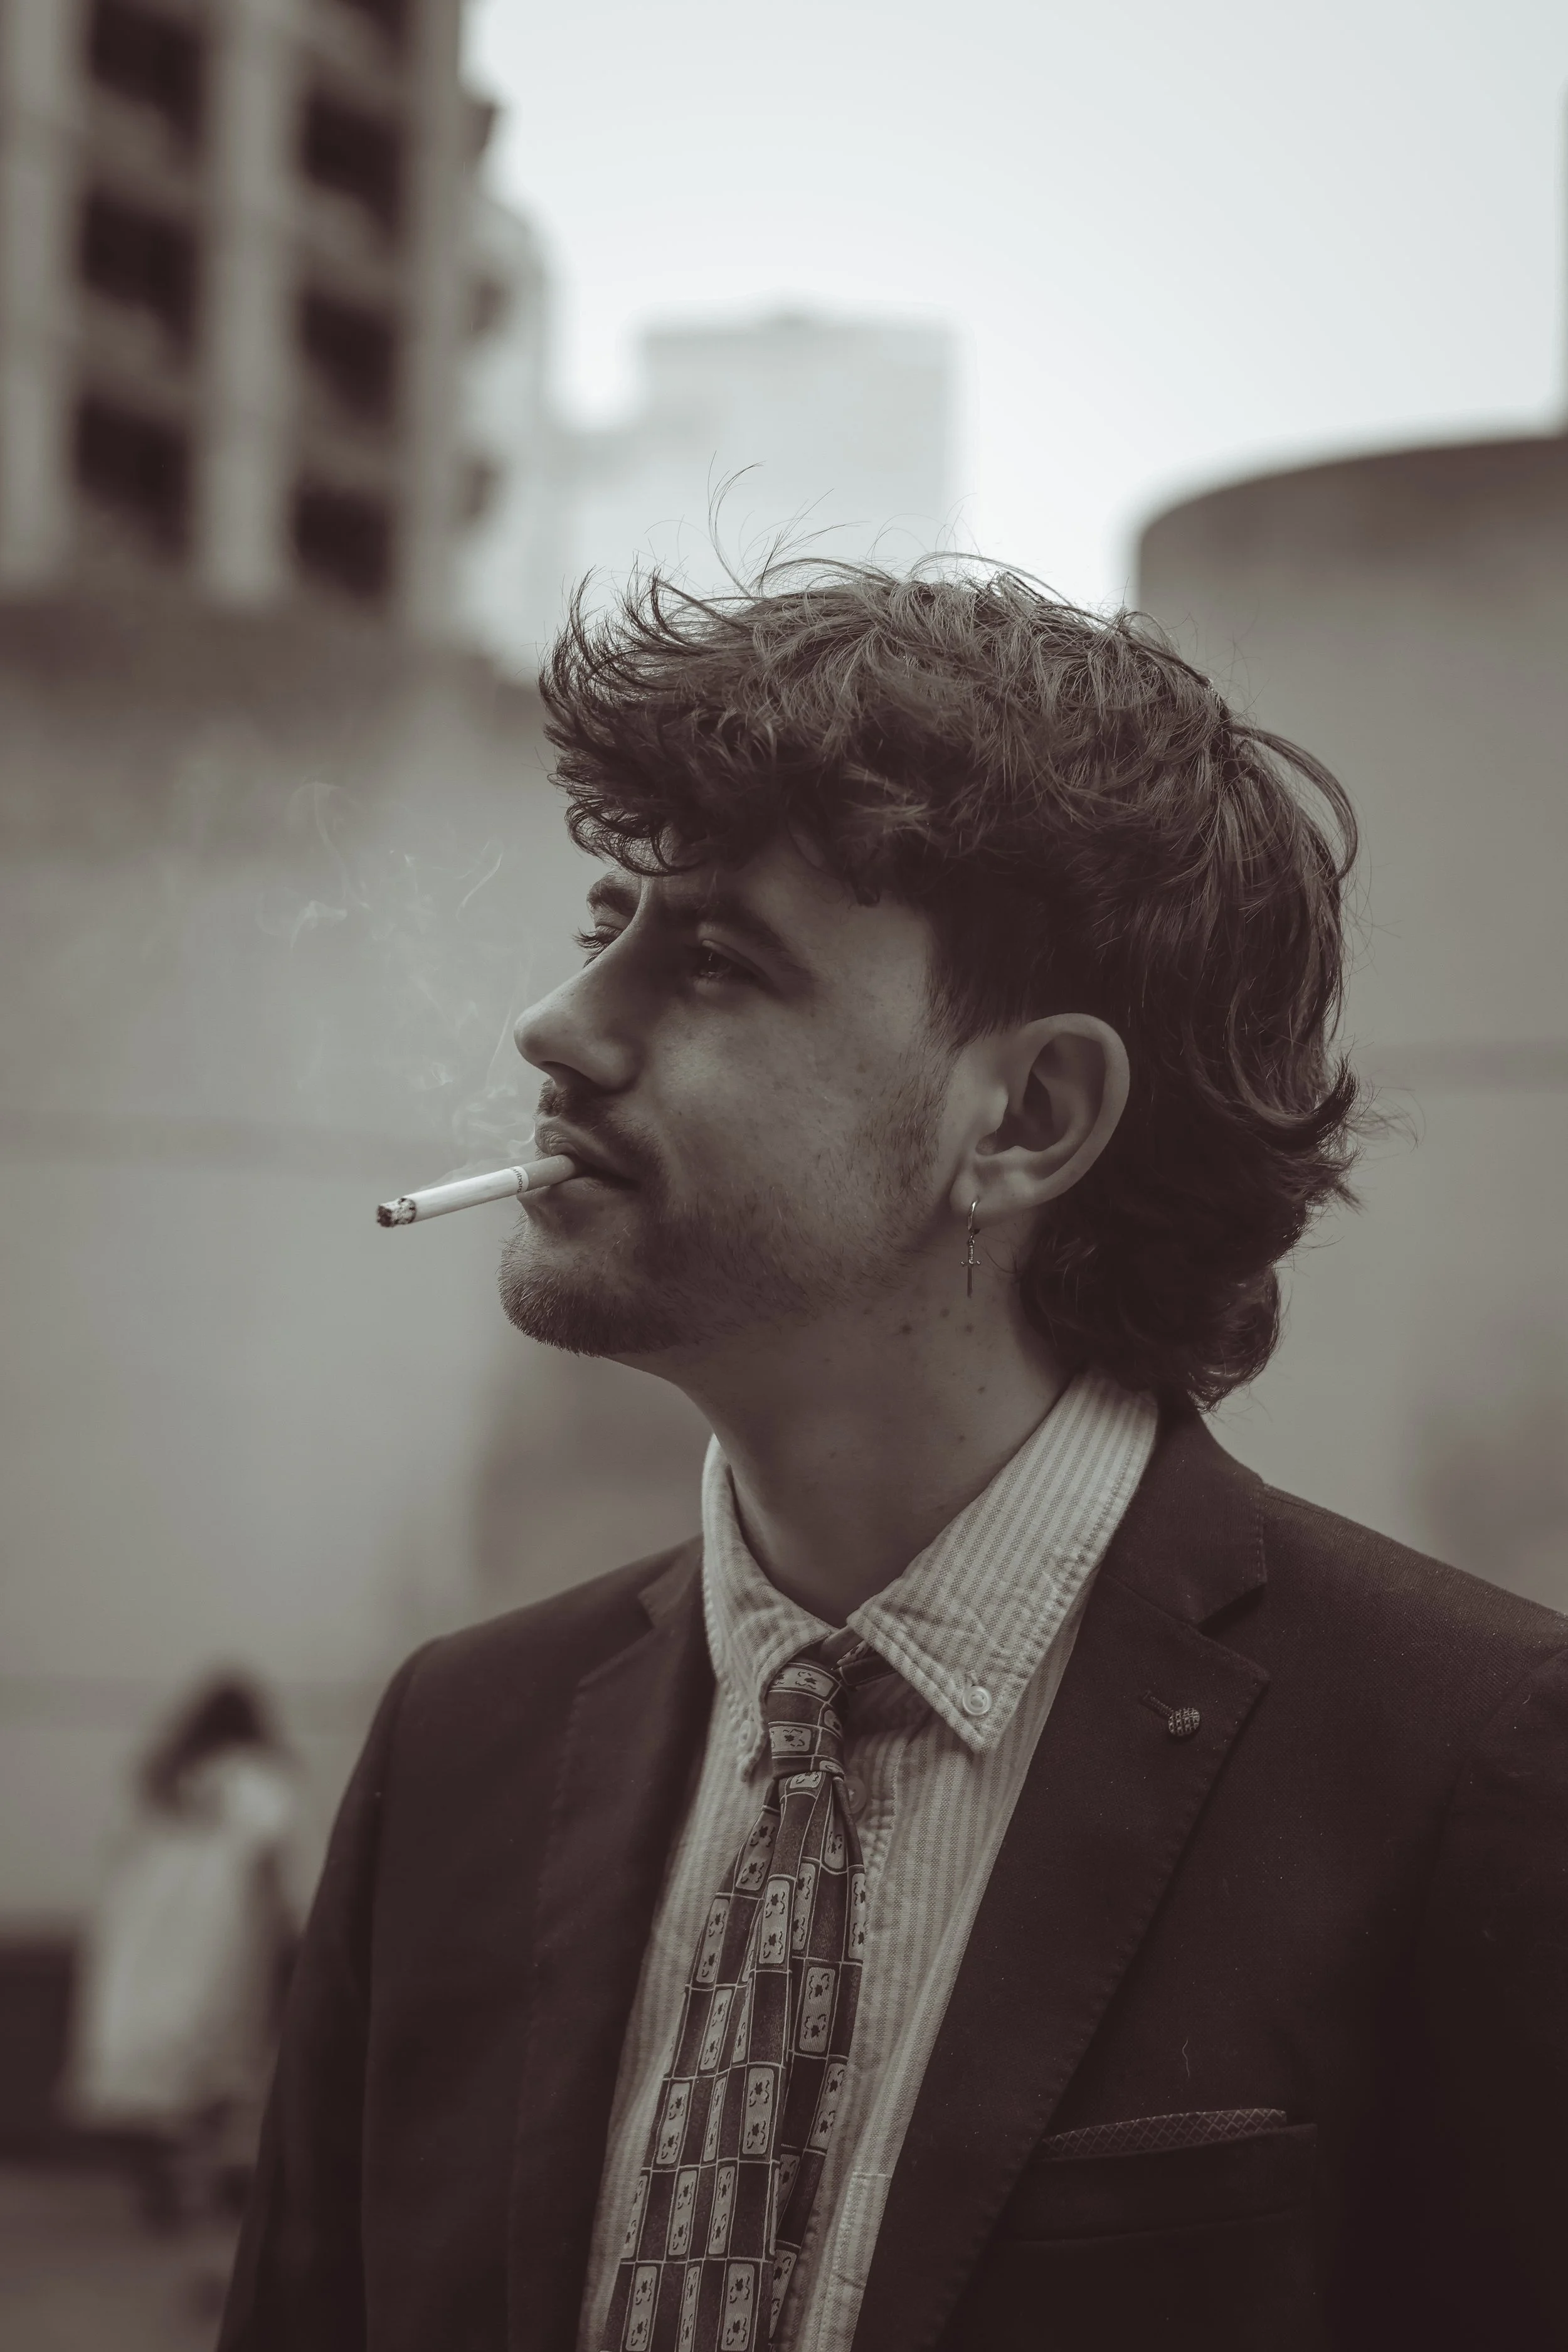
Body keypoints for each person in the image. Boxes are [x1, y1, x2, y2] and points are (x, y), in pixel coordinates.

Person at [221, 568, 1568, 2351]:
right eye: (606, 917)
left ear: (1024, 1117)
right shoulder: (462, 1740)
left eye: (708, 958)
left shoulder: (1470, 1763)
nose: (555, 1027)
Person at [66, 1673, 297, 2230]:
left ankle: (170, 2184)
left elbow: (120, 1853)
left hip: (145, 1931)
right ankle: (192, 2182)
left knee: (155, 2063)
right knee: (213, 2058)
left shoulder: (162, 1779)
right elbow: (270, 1854)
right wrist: (283, 1925)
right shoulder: (258, 1777)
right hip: (221, 1931)